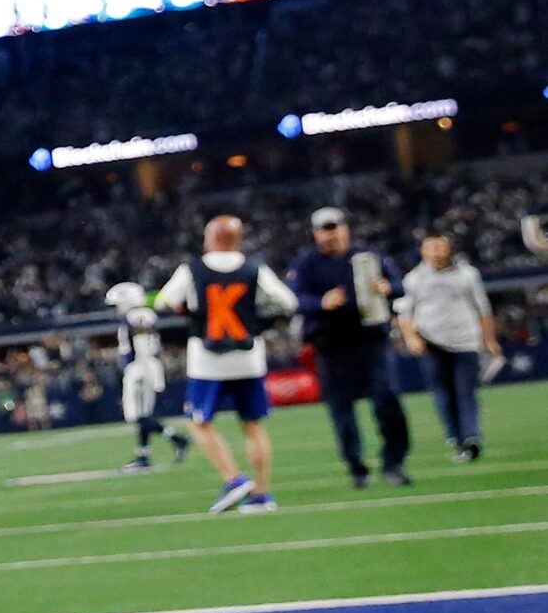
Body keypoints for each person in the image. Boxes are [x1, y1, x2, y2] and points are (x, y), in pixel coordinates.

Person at [153, 214, 300, 514]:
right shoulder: (254, 269)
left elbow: (163, 302)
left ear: (212, 239)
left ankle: (233, 479)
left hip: (207, 359)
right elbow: (288, 302)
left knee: (198, 422)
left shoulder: (192, 270)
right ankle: (261, 494)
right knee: (253, 425)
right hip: (248, 356)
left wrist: (189, 307)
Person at [285, 207, 411, 489]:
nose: (330, 235)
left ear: (345, 228)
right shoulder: (306, 264)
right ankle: (356, 467)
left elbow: (402, 285)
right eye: (324, 230)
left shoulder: (369, 257)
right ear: (316, 234)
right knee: (341, 410)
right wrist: (321, 303)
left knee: (387, 399)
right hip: (331, 345)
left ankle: (394, 461)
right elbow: (294, 299)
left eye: (334, 228)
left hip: (372, 340)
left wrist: (387, 287)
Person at [398, 227, 502, 461]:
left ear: (448, 247)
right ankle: (456, 435)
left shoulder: (467, 274)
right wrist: (411, 337)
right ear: (422, 251)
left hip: (465, 341)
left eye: (439, 245)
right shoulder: (414, 279)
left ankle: (471, 436)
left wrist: (489, 339)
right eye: (430, 246)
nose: (435, 251)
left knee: (466, 392)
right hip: (432, 341)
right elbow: (404, 312)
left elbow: (483, 309)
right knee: (442, 394)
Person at [104, 281, 195, 472]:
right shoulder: (139, 315)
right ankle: (170, 442)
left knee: (139, 414)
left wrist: (142, 371)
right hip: (142, 365)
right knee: (141, 415)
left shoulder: (138, 315)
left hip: (141, 366)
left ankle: (146, 455)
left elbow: (142, 345)